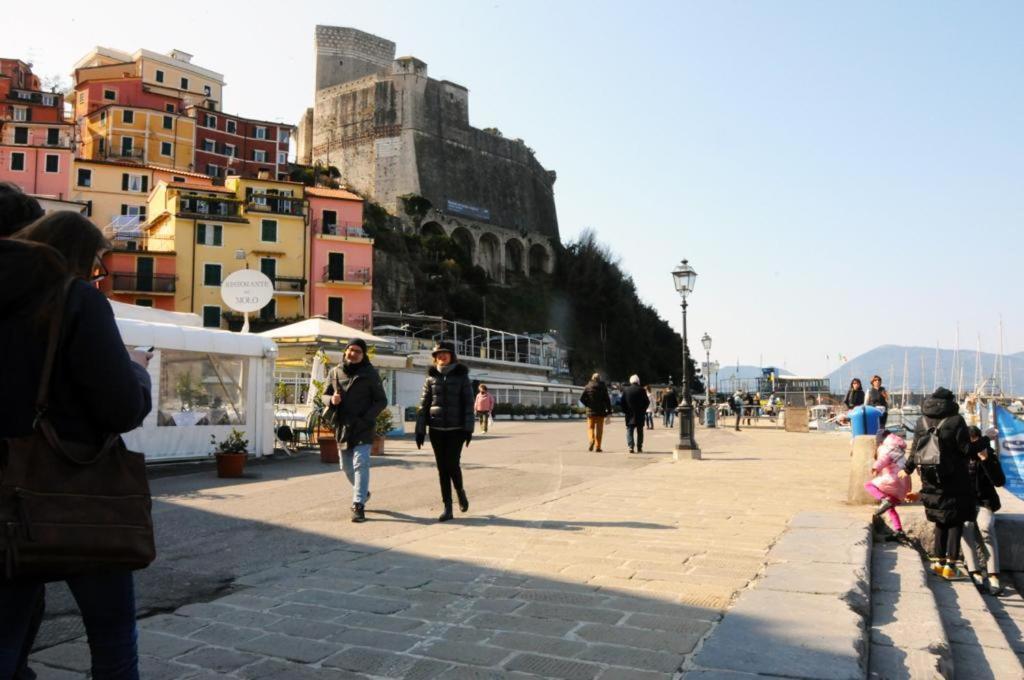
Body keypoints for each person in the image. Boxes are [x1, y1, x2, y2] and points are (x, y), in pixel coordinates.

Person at [1, 211, 153, 679]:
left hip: (7, 501)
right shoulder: (76, 300)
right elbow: (122, 407)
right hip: (77, 495)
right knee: (112, 643)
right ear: (79, 260)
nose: (97, 277)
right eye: (95, 267)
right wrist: (136, 368)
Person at [903, 387, 972, 580]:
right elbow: (965, 449)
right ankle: (950, 566)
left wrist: (907, 469)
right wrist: (983, 442)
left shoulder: (921, 421)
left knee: (940, 521)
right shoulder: (956, 420)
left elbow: (915, 449)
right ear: (951, 403)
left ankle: (937, 563)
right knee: (955, 522)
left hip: (930, 478)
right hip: (954, 479)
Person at [324, 338, 388, 523]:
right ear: (345, 351)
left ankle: (358, 505)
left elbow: (381, 400)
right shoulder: (335, 372)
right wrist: (331, 400)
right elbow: (325, 395)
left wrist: (367, 417)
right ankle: (363, 492)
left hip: (363, 427)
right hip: (343, 426)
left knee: (361, 463)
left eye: (358, 351)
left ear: (363, 355)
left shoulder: (370, 374)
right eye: (351, 349)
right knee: (345, 466)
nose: (353, 353)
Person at [415, 341, 474, 522]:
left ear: (452, 356)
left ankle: (460, 492)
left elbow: (468, 404)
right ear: (435, 358)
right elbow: (424, 405)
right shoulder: (430, 378)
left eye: (445, 353)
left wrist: (468, 428)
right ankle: (447, 507)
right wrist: (420, 429)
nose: (441, 356)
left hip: (456, 429)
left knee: (452, 464)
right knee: (442, 468)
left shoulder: (462, 377)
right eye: (438, 354)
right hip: (436, 429)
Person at [961, 426, 1006, 595]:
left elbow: (999, 481)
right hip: (965, 503)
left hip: (984, 503)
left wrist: (986, 461)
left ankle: (993, 575)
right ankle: (975, 571)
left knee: (986, 527)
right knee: (965, 526)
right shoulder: (961, 457)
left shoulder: (989, 455)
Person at [865, 433, 911, 543]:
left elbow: (884, 458)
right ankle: (899, 530)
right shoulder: (899, 449)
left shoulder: (886, 447)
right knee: (890, 508)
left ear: (881, 441)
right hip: (903, 484)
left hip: (893, 479)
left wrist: (876, 467)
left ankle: (884, 499)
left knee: (869, 485)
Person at [580, 372, 612, 452]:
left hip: (590, 412)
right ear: (599, 379)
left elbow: (582, 399)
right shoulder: (603, 387)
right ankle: (598, 447)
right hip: (601, 412)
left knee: (590, 428)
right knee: (599, 430)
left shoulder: (587, 386)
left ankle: (591, 440)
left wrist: (588, 404)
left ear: (592, 378)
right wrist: (609, 411)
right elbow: (607, 400)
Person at [621, 375, 650, 453]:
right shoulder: (642, 390)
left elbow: (622, 403)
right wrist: (643, 410)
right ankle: (639, 447)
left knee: (629, 431)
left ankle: (631, 446)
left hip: (629, 414)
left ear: (630, 381)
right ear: (638, 381)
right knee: (640, 431)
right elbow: (647, 402)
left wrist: (625, 411)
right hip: (640, 414)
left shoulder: (626, 390)